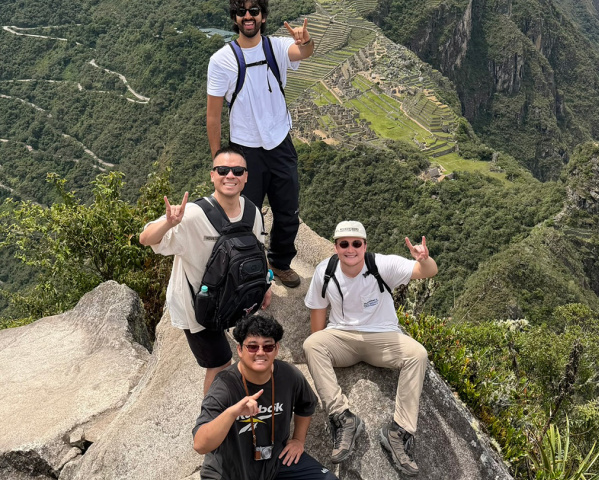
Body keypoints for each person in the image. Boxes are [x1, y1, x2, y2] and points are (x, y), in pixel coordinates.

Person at [303, 221, 438, 476]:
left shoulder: (381, 265)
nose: (350, 249)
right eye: (344, 244)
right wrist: (320, 352)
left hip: (382, 337)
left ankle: (399, 431)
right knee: (312, 345)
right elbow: (317, 318)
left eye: (356, 244)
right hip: (342, 337)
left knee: (417, 355)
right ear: (336, 247)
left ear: (365, 246)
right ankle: (343, 418)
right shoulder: (325, 271)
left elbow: (427, 272)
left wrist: (424, 259)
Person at [139, 146, 271, 395]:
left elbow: (257, 252)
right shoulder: (192, 215)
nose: (229, 175)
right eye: (222, 170)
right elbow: (146, 239)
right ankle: (211, 421)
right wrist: (168, 223)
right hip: (196, 304)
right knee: (221, 362)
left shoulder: (253, 212)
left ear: (245, 176)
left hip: (231, 294)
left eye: (237, 170)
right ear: (212, 175)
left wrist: (266, 285)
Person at [206, 0, 315, 288]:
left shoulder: (276, 48)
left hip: (279, 142)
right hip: (244, 150)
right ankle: (248, 268)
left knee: (288, 209)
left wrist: (306, 41)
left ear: (263, 16)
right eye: (241, 11)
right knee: (244, 213)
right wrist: (219, 160)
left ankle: (279, 262)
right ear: (235, 17)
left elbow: (303, 52)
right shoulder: (221, 60)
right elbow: (213, 116)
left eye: (254, 10)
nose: (248, 16)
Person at [193, 314, 338, 480]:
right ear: (240, 349)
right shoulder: (224, 386)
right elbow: (200, 445)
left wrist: (298, 440)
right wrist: (232, 412)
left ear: (276, 349)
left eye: (268, 347)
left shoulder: (289, 375)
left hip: (275, 463)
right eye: (252, 347)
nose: (260, 353)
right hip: (230, 471)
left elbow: (306, 405)